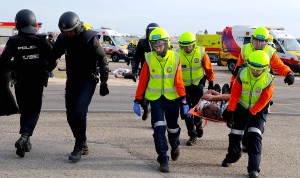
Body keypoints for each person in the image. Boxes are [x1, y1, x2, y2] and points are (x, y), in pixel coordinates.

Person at [48, 11, 109, 163]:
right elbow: (52, 56)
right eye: (65, 32)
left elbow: (102, 59)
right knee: (70, 115)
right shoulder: (63, 39)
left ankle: (78, 146)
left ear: (78, 26)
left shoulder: (90, 38)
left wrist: (104, 82)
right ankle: (82, 141)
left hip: (88, 79)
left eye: (71, 31)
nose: (69, 35)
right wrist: (42, 68)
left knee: (79, 110)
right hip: (72, 79)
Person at [230, 26, 295, 152]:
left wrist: (289, 74)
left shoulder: (270, 52)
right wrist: (232, 85)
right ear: (252, 40)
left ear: (266, 42)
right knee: (240, 119)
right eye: (256, 40)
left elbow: (280, 66)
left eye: (262, 41)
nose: (259, 44)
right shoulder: (245, 50)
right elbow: (237, 70)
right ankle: (242, 141)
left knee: (255, 119)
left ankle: (248, 141)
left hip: (262, 91)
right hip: (245, 90)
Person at [133, 27, 187, 173]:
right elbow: (143, 81)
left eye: (160, 44)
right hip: (155, 100)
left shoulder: (175, 58)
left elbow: (179, 81)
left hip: (172, 99)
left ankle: (175, 145)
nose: (157, 48)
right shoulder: (149, 58)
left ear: (167, 43)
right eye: (154, 45)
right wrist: (137, 100)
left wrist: (183, 100)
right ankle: (163, 159)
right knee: (158, 129)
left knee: (172, 127)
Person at [0, 9, 52, 158]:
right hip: (36, 83)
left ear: (18, 23)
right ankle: (24, 137)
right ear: (33, 22)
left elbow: (4, 61)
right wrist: (45, 69)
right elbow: (53, 58)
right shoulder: (41, 40)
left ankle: (26, 139)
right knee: (33, 112)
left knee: (25, 111)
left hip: (20, 83)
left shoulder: (14, 40)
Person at [222, 50, 274, 178]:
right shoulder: (242, 73)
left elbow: (264, 100)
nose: (254, 72)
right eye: (252, 68)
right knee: (235, 134)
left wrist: (252, 112)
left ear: (265, 68)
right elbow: (235, 94)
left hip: (258, 110)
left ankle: (254, 169)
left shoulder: (268, 79)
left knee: (254, 135)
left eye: (258, 70)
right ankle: (232, 156)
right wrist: (231, 110)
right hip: (242, 106)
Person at [177, 32, 215, 146]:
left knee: (198, 109)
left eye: (190, 45)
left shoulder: (201, 52)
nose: (188, 48)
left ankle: (198, 124)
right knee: (187, 112)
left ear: (194, 44)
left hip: (198, 86)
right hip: (183, 88)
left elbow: (208, 68)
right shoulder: (177, 55)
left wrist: (211, 82)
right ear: (181, 46)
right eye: (185, 45)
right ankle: (192, 135)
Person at [131, 23, 160, 121]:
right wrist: (134, 71)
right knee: (143, 99)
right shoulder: (142, 43)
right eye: (150, 31)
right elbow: (136, 58)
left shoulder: (162, 43)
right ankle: (146, 108)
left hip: (158, 75)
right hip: (145, 73)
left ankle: (156, 121)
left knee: (156, 100)